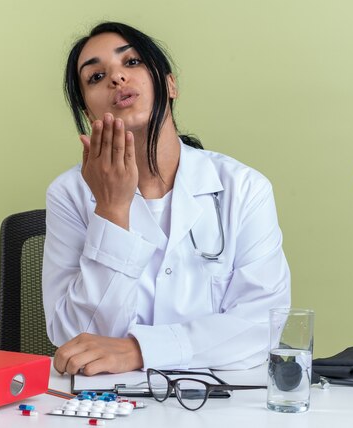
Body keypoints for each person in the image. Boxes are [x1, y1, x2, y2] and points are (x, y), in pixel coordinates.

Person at [42, 22, 290, 376]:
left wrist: (140, 351)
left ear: (170, 84)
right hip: (110, 402)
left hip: (218, 400)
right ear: (88, 113)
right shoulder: (69, 194)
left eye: (132, 63)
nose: (116, 78)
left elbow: (264, 325)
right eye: (96, 77)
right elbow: (74, 336)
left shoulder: (244, 188)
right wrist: (111, 210)